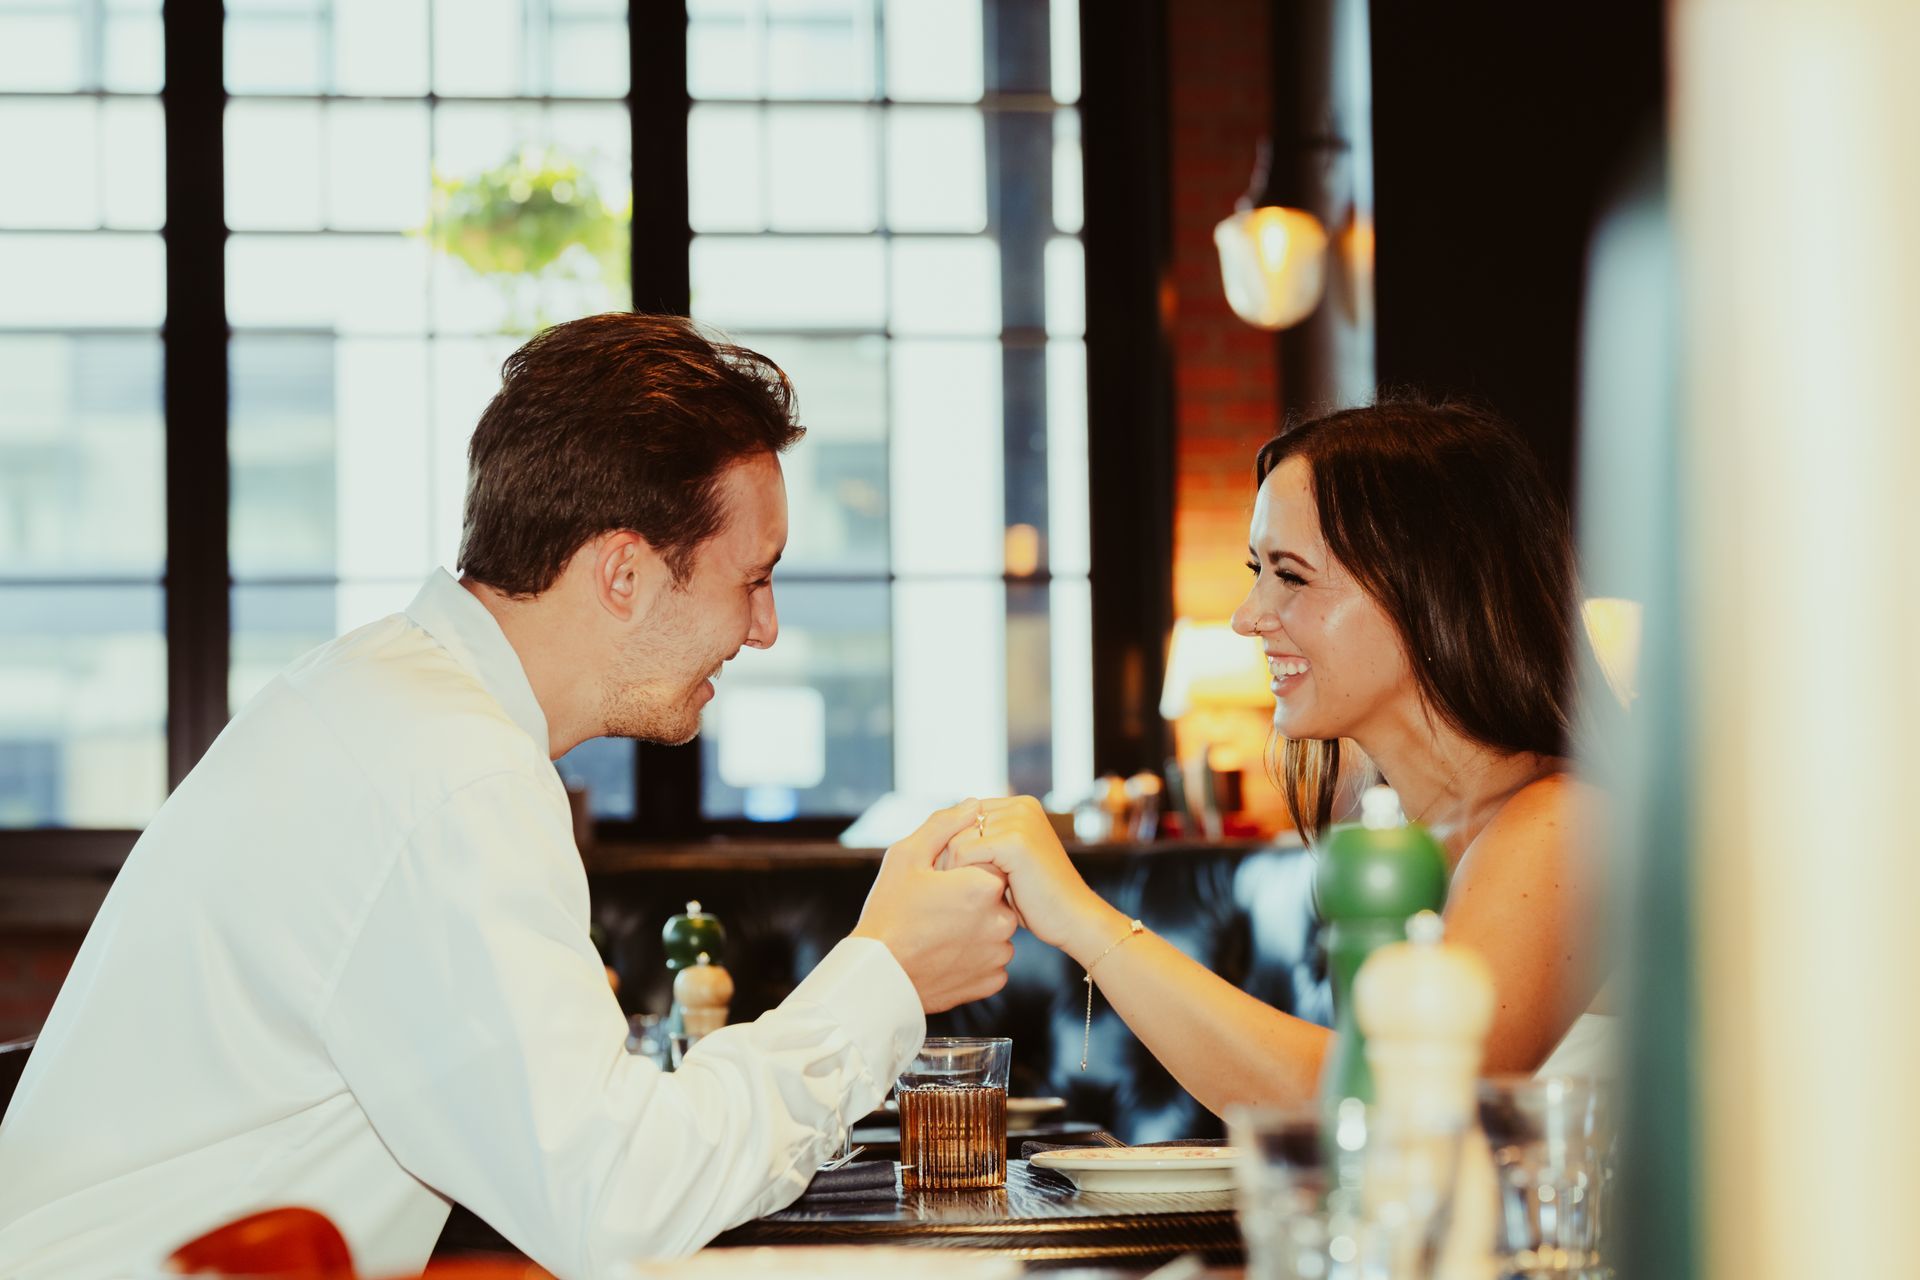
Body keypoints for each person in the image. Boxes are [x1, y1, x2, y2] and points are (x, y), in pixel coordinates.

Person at [0, 314, 1018, 1280]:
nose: (766, 628)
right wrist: (886, 971)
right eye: (753, 577)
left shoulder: (389, 696)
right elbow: (616, 1202)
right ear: (623, 571)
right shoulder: (452, 768)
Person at [948, 401, 1607, 1114]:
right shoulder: (1396, 835)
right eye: (1258, 569)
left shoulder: (1562, 828)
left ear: (1427, 589)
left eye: (1290, 575)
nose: (1247, 614)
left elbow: (1397, 1107)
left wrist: (1082, 916)